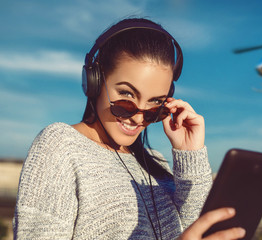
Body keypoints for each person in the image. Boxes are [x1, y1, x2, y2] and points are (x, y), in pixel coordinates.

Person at [13, 18, 245, 239]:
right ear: (94, 81)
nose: (138, 118)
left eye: (155, 103)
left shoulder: (156, 162)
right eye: (126, 96)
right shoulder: (60, 145)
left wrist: (190, 155)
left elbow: (197, 228)